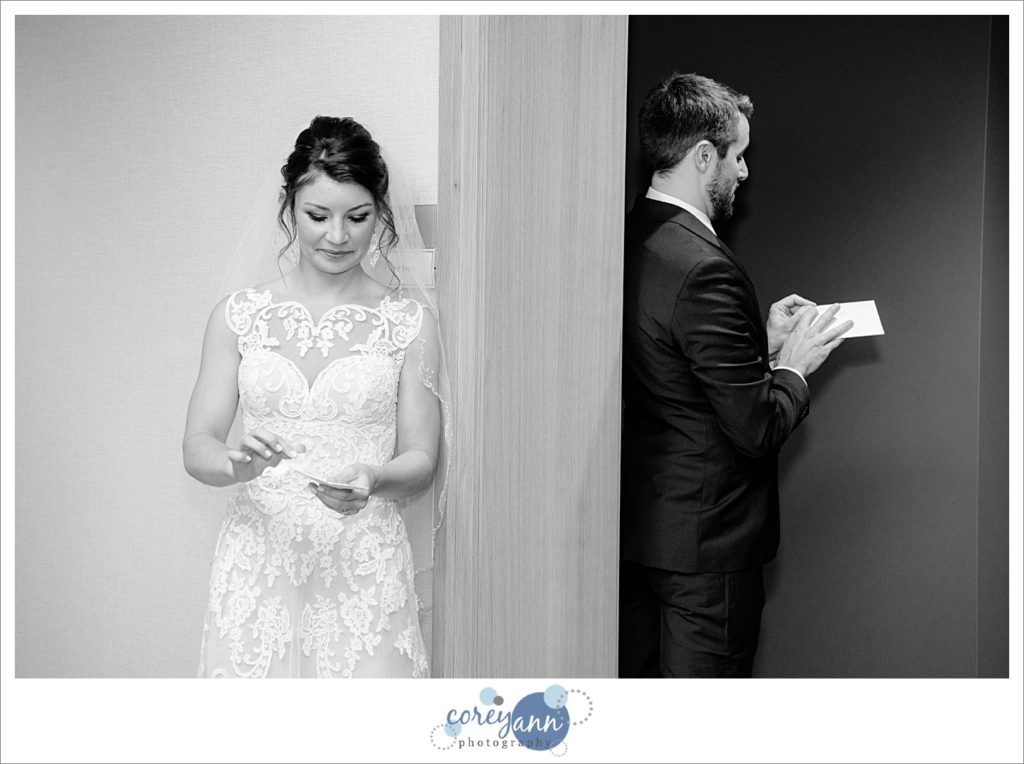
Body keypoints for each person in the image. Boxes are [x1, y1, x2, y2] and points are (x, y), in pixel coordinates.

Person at [183, 116, 447, 678]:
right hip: (259, 560)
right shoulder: (236, 316)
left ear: (380, 213)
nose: (337, 236)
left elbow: (421, 460)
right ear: (289, 209)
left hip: (363, 563)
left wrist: (374, 478)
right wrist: (236, 466)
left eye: (357, 217)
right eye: (318, 216)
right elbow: (198, 445)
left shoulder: (409, 322)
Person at [619, 73, 852, 678]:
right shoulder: (703, 265)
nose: (744, 173)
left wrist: (759, 340)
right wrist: (793, 369)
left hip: (639, 538)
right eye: (738, 156)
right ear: (704, 157)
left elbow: (667, 364)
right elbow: (755, 428)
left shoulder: (627, 237)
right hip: (708, 551)